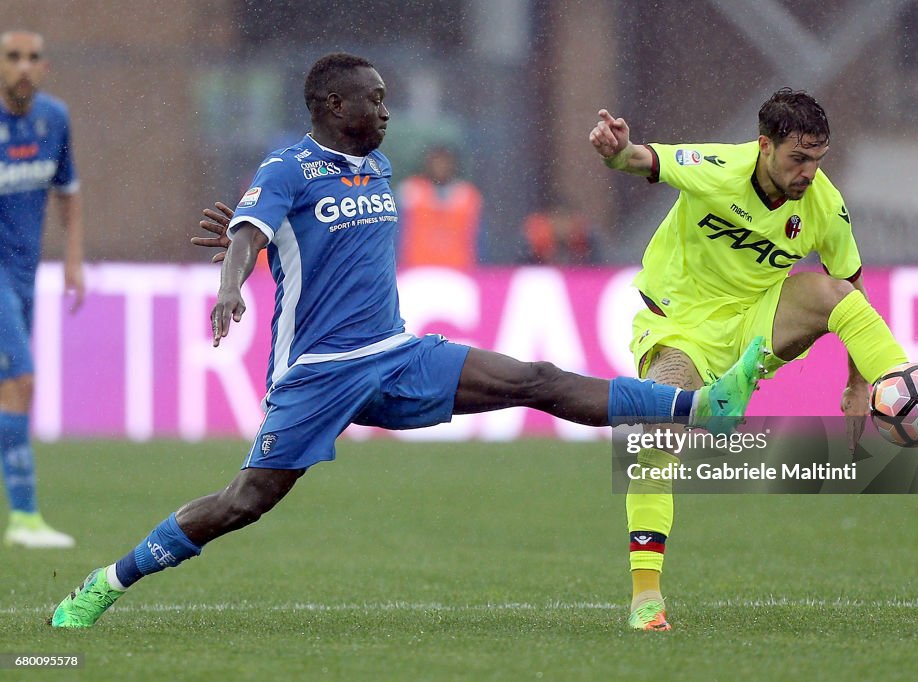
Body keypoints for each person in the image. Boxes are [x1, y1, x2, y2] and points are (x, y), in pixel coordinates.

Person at [49, 53, 767, 628]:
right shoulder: (286, 167)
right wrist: (233, 280)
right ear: (335, 106)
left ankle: (695, 407)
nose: (389, 111)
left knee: (535, 377)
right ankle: (106, 582)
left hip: (394, 355)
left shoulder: (380, 166)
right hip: (319, 373)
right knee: (244, 501)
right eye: (377, 98)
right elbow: (247, 230)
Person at [588, 90, 918, 631]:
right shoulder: (719, 168)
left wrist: (857, 384)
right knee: (657, 433)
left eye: (818, 159)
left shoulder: (824, 203)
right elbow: (640, 159)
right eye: (798, 158)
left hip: (758, 321)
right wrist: (615, 147)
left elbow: (852, 290)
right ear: (764, 146)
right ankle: (646, 597)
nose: (808, 172)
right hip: (681, 328)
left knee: (831, 294)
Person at [0, 30, 83, 549]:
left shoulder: (55, 118)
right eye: (12, 58)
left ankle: (24, 518)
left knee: (10, 386)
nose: (23, 67)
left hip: (25, 272)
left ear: (45, 67)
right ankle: (25, 517)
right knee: (21, 379)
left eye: (32, 58)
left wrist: (73, 260)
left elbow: (68, 192)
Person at [397, 145, 483, 269]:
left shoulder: (468, 196)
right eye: (436, 162)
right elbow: (396, 234)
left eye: (446, 163)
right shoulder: (410, 192)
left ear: (454, 165)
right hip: (416, 271)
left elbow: (479, 240)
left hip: (459, 270)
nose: (441, 167)